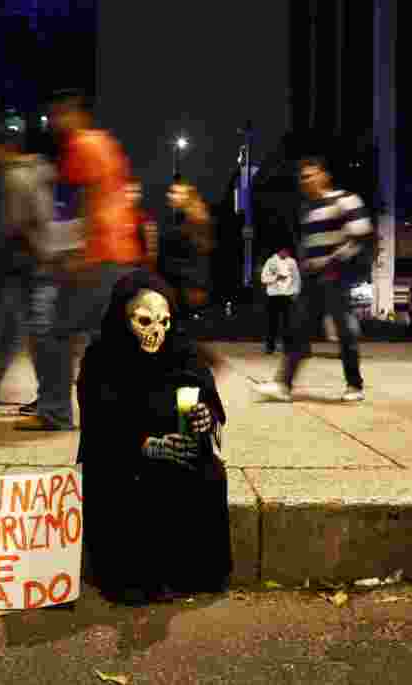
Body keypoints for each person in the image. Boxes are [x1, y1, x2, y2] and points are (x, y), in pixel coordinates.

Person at [77, 269, 231, 605]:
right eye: (144, 321)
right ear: (123, 318)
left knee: (210, 473)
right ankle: (135, 577)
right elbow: (98, 427)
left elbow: (211, 406)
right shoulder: (100, 361)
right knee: (130, 481)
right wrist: (145, 445)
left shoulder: (184, 355)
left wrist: (206, 418)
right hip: (123, 457)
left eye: (164, 321)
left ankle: (193, 573)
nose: (156, 332)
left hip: (178, 449)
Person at [16, 89, 145, 431]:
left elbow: (83, 201)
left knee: (57, 332)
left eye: (62, 113)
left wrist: (76, 253)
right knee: (108, 335)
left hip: (99, 256)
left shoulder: (80, 145)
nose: (57, 121)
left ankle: (56, 412)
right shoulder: (104, 143)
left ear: (77, 113)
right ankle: (132, 408)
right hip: (121, 253)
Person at [252, 156, 371, 403]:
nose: (305, 180)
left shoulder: (345, 201)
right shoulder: (309, 209)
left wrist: (333, 260)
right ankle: (283, 385)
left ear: (324, 176)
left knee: (345, 330)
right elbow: (310, 245)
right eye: (303, 177)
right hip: (314, 278)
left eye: (310, 175)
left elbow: (360, 237)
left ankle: (354, 385)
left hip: (336, 276)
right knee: (298, 329)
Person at [0, 121, 56, 404]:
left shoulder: (14, 177)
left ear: (4, 147)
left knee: (26, 335)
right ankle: (0, 390)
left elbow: (9, 226)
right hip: (35, 262)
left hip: (24, 265)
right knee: (19, 333)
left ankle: (47, 397)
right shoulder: (37, 171)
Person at [160, 179, 216, 322]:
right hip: (182, 283)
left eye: (176, 193)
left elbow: (198, 255)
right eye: (171, 192)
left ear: (187, 196)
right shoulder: (182, 218)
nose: (170, 196)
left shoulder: (195, 220)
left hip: (187, 285)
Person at [260, 247, 301, 354]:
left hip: (288, 296)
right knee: (272, 323)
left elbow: (296, 278)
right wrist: (276, 278)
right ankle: (270, 347)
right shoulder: (270, 261)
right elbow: (263, 278)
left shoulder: (292, 262)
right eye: (283, 251)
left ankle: (288, 347)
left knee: (288, 323)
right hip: (273, 296)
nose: (286, 253)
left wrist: (296, 292)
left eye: (287, 251)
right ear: (279, 251)